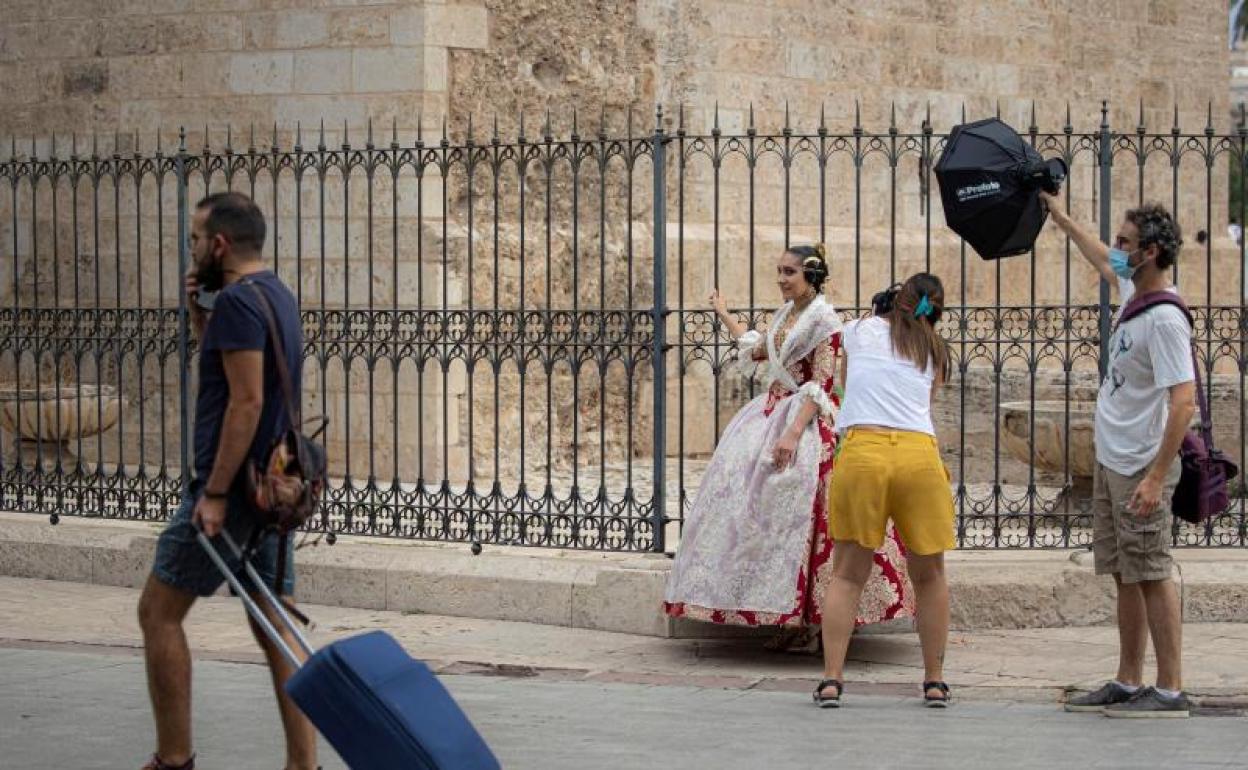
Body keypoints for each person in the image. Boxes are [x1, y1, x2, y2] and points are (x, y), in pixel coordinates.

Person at [136, 192, 318, 769]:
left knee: (158, 612)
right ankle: (303, 765)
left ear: (219, 244)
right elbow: (243, 375)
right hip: (275, 488)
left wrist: (213, 495)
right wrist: (200, 322)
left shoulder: (240, 302)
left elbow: (246, 401)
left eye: (194, 240)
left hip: (234, 492)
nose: (190, 251)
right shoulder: (275, 294)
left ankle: (174, 758)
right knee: (277, 625)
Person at [664, 244, 913, 652]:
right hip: (771, 412)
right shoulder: (788, 315)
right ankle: (785, 618)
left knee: (812, 522)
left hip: (805, 422)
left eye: (789, 272)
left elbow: (824, 382)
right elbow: (759, 349)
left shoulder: (826, 322)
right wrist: (723, 313)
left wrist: (794, 432)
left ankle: (814, 626)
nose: (781, 278)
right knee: (755, 515)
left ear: (810, 276)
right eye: (779, 271)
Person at [1042, 196, 1197, 718]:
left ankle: (1170, 688)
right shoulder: (1134, 290)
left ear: (1150, 252)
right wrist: (1061, 218)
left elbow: (1184, 401)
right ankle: (1129, 679)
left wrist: (1155, 477)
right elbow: (1101, 257)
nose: (1118, 250)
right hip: (1114, 460)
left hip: (1140, 465)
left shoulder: (1166, 321)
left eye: (1127, 243)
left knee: (1151, 571)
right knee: (1124, 574)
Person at [815, 273, 956, 709]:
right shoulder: (936, 349)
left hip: (864, 453)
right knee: (930, 577)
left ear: (894, 301)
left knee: (846, 575)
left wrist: (881, 309)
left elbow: (843, 375)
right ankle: (934, 681)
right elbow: (925, 401)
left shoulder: (859, 330)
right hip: (918, 456)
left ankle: (832, 681)